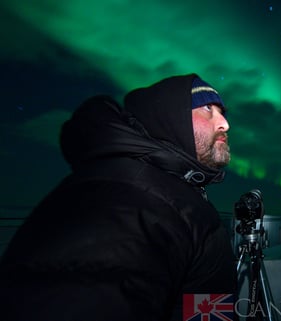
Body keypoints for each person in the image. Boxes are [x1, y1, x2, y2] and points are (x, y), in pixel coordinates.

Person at [0, 74, 237, 320]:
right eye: (207, 108)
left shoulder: (171, 191)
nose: (224, 124)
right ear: (170, 117)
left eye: (222, 112)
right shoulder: (131, 195)